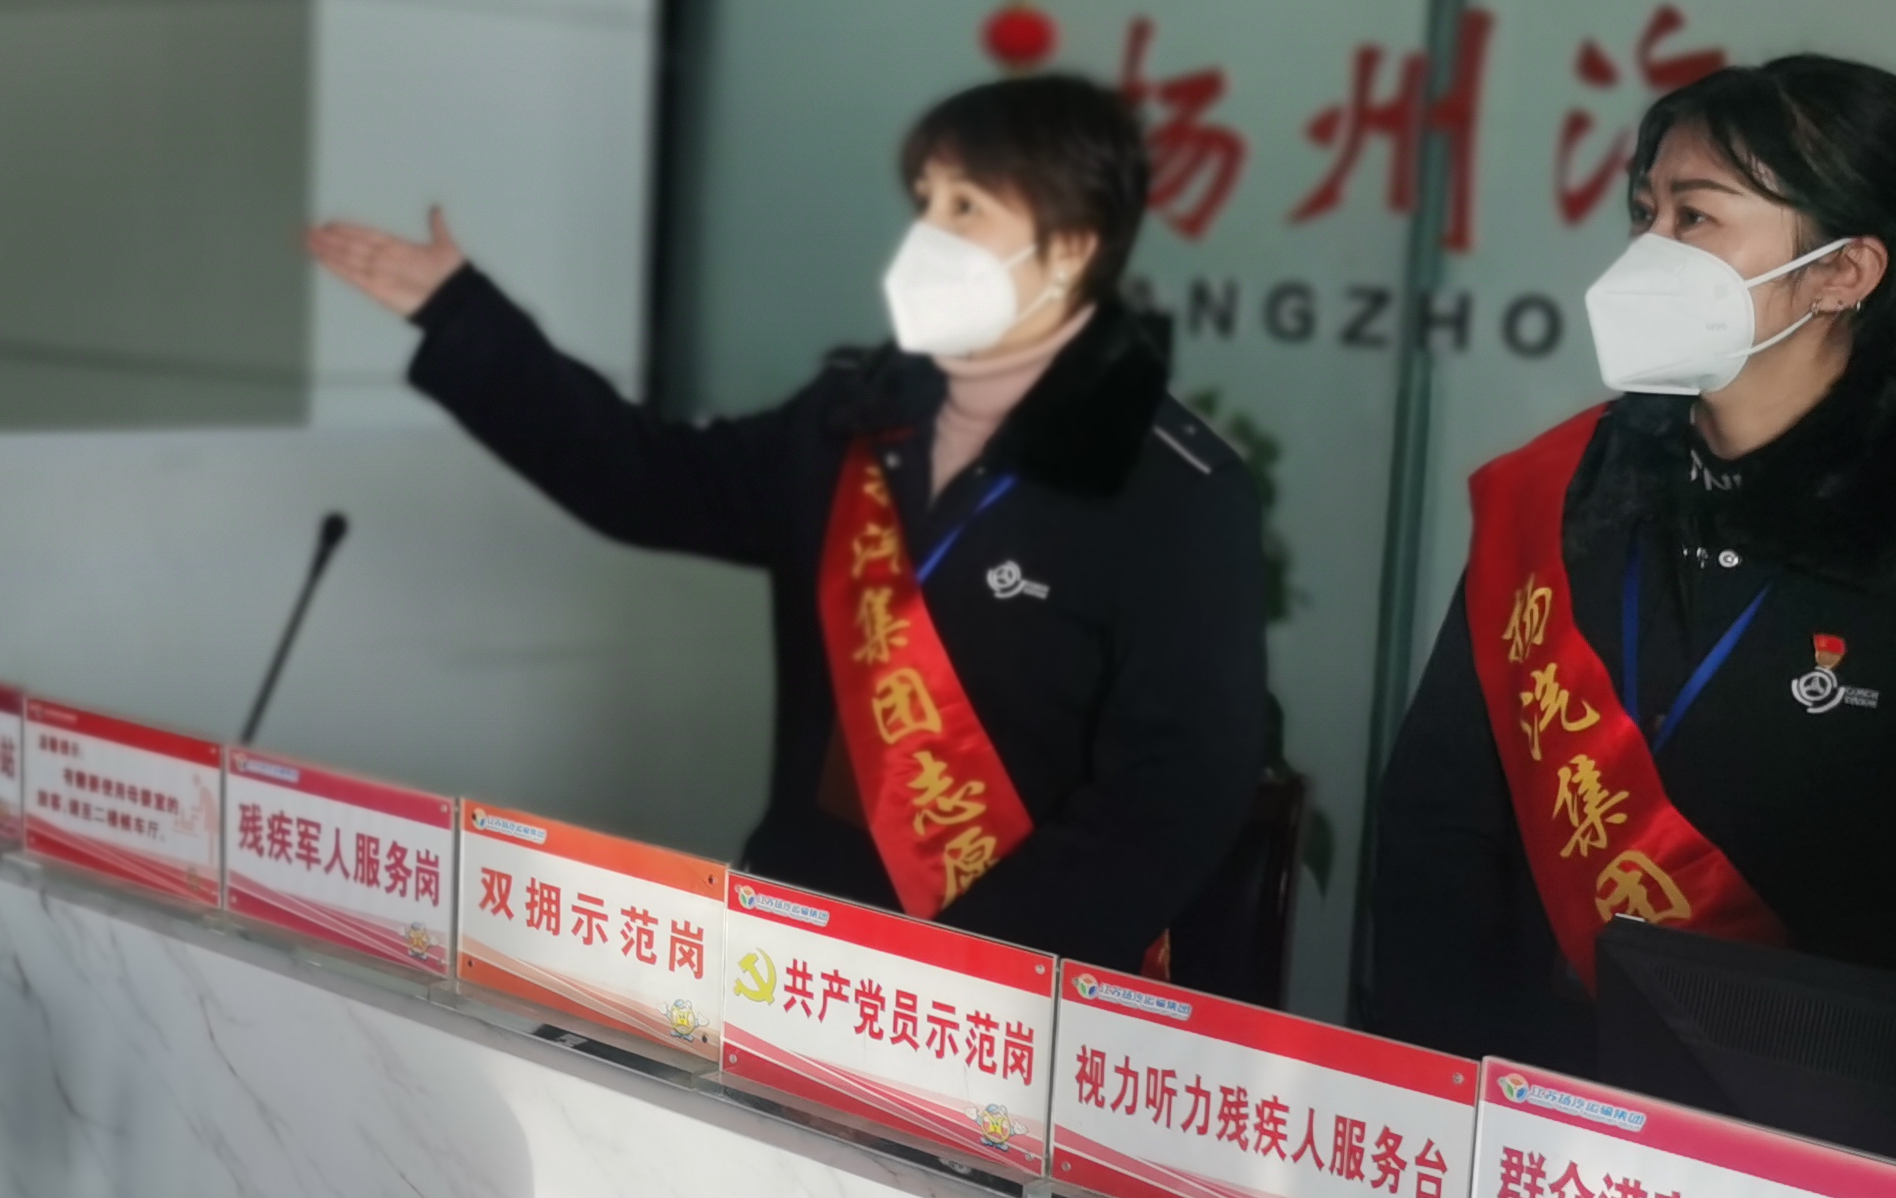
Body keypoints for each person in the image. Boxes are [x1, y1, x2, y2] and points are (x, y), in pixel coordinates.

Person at [310, 71, 1266, 978]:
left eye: (966, 208)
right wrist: (463, 317)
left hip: (1005, 995)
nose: (928, 236)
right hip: (794, 950)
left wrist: (967, 978)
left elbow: (1174, 791)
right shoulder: (854, 420)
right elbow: (647, 478)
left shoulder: (1171, 488)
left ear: (1070, 250)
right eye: (927, 202)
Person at [1359, 53, 1896, 1075]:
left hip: (1802, 1124)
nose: (1649, 252)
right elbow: (1440, 822)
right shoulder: (1565, 490)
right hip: (1520, 1090)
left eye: (1696, 218)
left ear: (1844, 273)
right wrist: (1444, 1078)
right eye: (1645, 213)